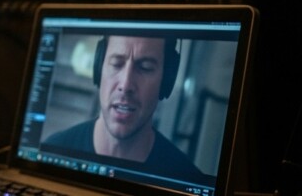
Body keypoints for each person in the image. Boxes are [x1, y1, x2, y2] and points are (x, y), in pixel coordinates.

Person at [43, 35, 205, 181]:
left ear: (166, 81)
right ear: (99, 68)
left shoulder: (188, 178)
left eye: (145, 67)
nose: (126, 85)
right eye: (116, 64)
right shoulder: (51, 153)